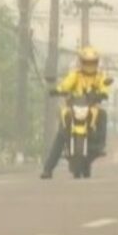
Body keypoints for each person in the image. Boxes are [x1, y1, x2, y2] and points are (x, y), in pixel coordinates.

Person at [40, 46, 110, 179]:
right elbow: (65, 84)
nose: (89, 65)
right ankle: (48, 169)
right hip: (74, 107)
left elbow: (104, 87)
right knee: (61, 134)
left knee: (103, 114)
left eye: (92, 62)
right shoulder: (75, 74)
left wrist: (102, 94)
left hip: (91, 108)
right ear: (81, 62)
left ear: (96, 62)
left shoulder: (100, 76)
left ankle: (100, 145)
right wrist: (58, 90)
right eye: (87, 62)